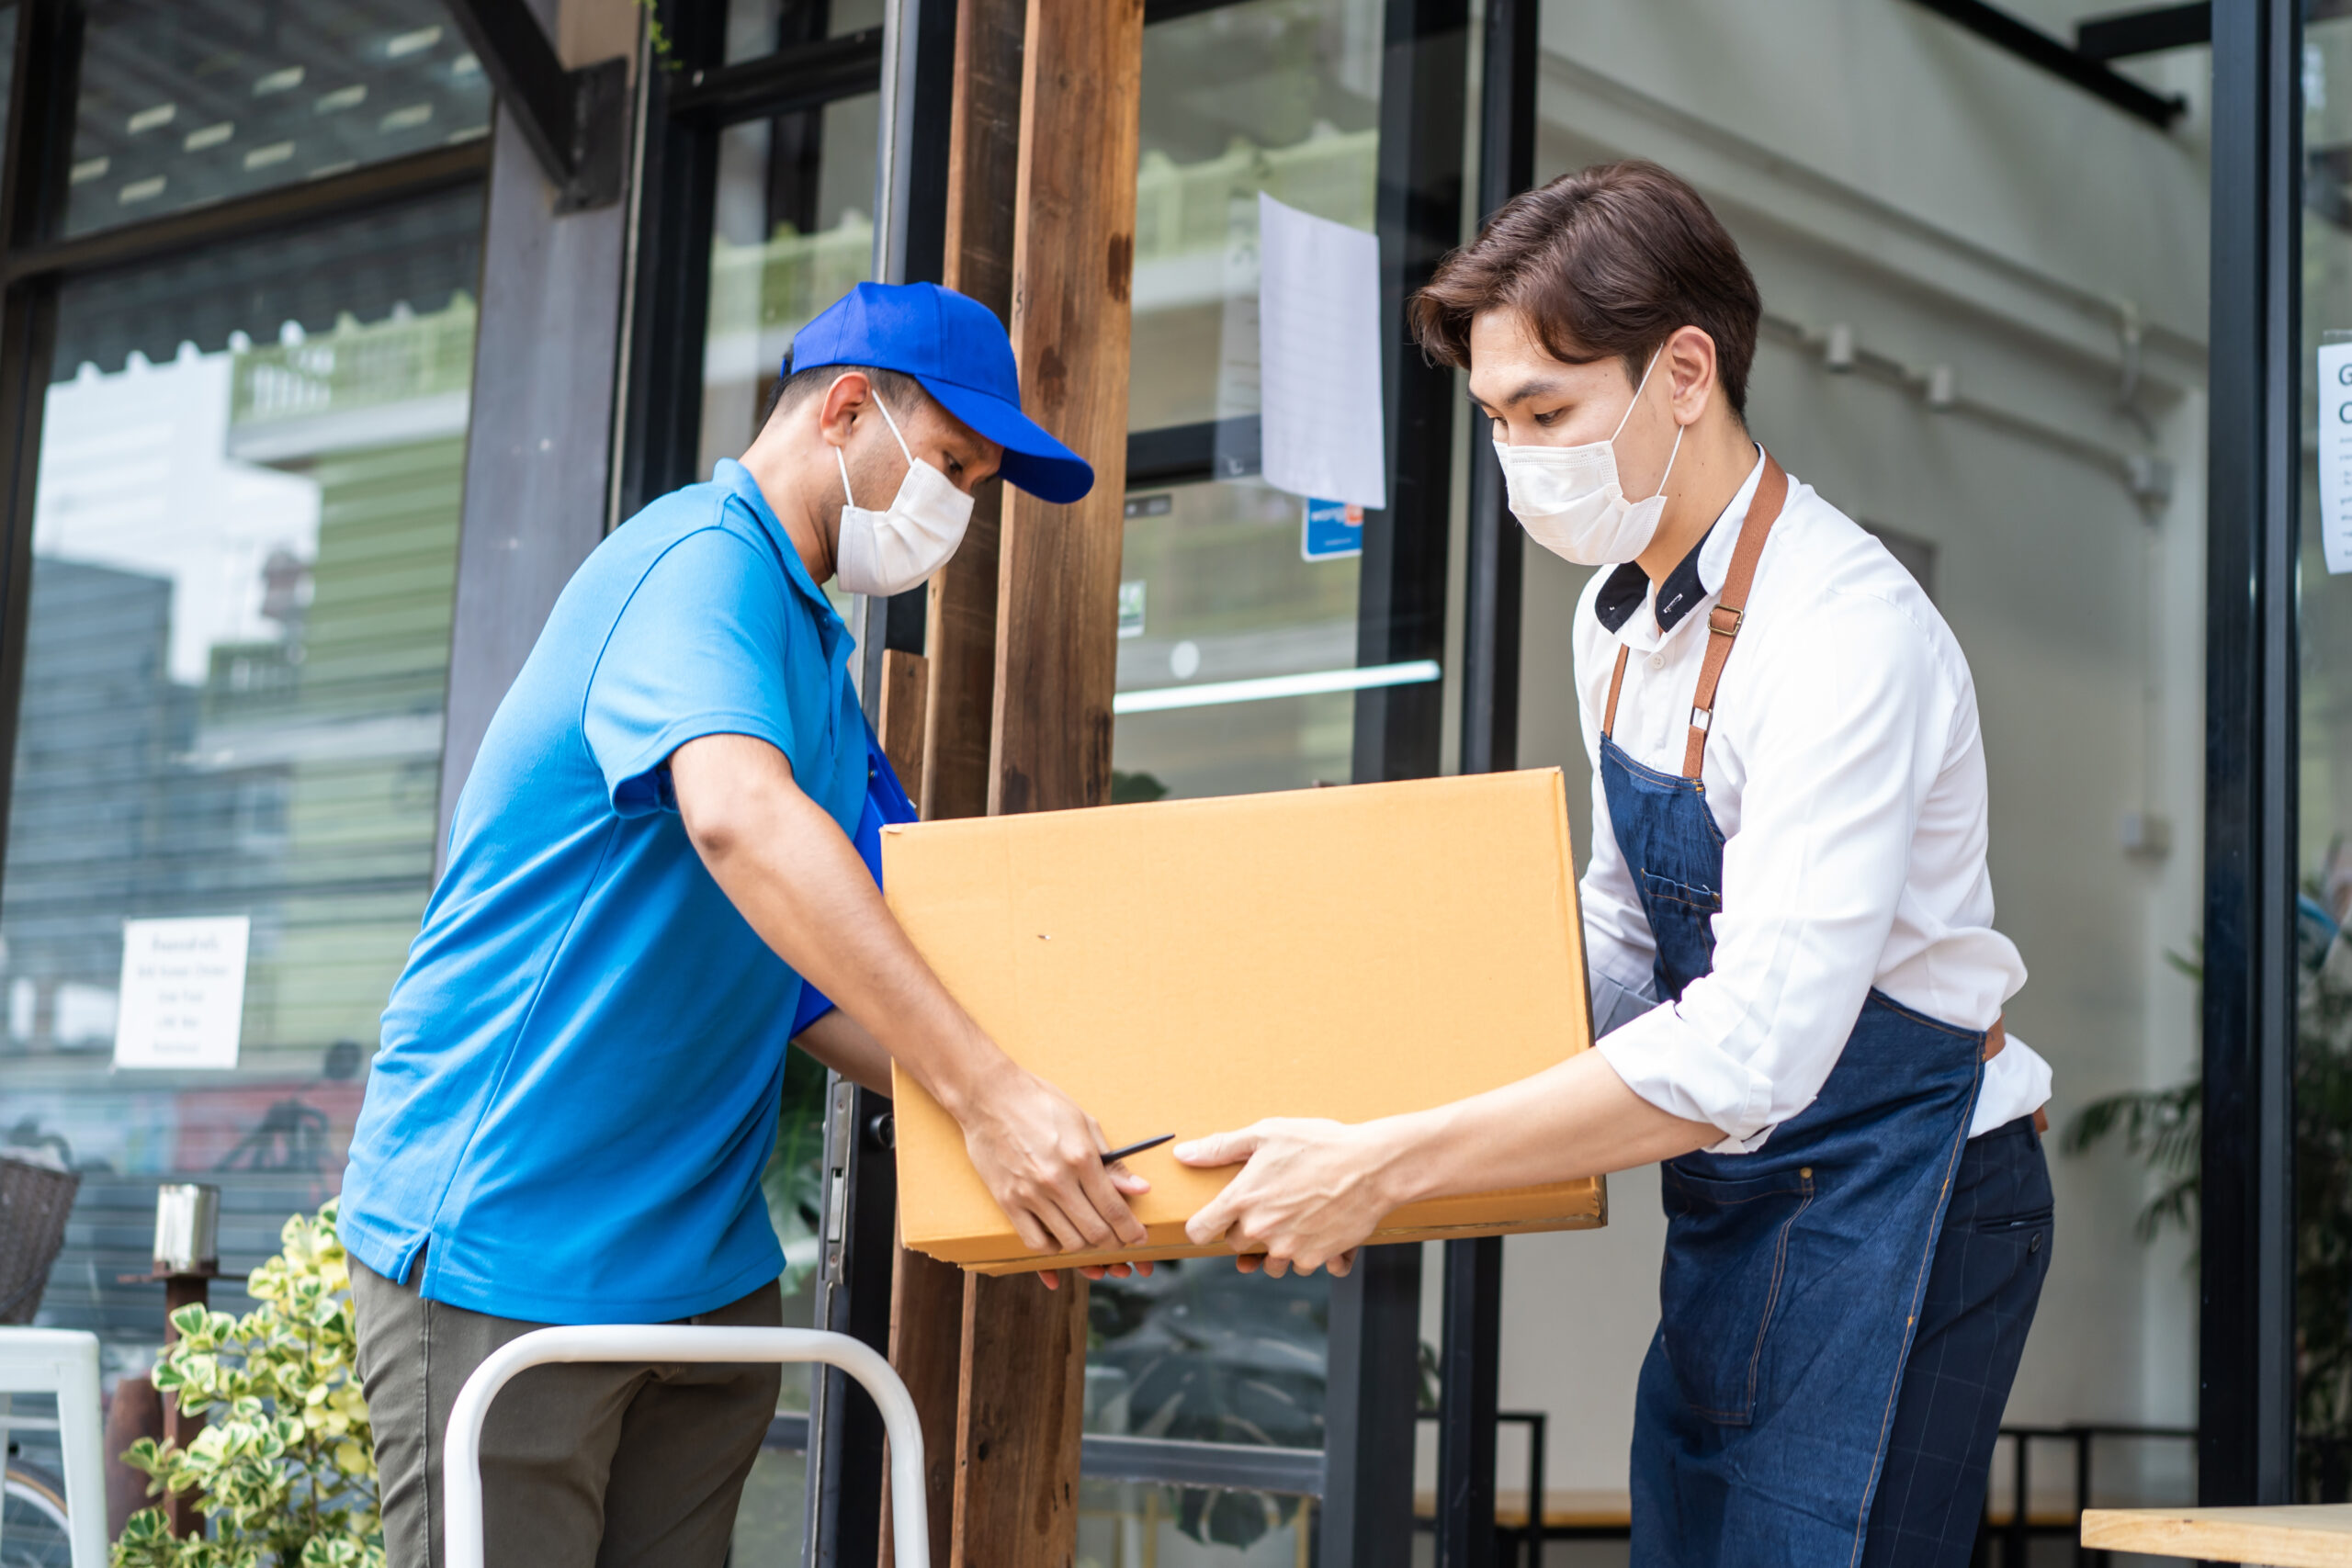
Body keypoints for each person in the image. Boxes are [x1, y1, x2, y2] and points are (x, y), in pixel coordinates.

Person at [1172, 162, 2055, 1568]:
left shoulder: (1843, 635)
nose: (1519, 455)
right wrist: (1342, 1104)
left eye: (1547, 413)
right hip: (1743, 1194)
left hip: (1917, 1195)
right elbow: (1623, 947)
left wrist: (1390, 1165)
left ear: (1686, 372)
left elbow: (1758, 1044)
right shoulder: (1613, 619)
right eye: (1495, 420)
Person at [337, 281, 1150, 1568]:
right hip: (513, 1247)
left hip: (700, 1270)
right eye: (951, 464)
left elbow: (815, 986)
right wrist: (989, 1095)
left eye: (978, 484)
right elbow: (738, 821)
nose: (959, 509)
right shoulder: (696, 566)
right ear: (844, 410)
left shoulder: (815, 657)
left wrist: (1041, 1153)